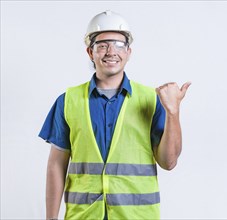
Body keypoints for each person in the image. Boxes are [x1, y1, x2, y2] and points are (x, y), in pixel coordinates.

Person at [39, 10, 190, 220]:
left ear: (129, 51)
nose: (111, 51)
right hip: (84, 216)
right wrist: (50, 218)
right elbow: (56, 164)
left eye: (119, 45)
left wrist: (173, 112)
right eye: (102, 45)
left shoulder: (150, 99)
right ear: (90, 53)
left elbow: (168, 162)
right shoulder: (67, 101)